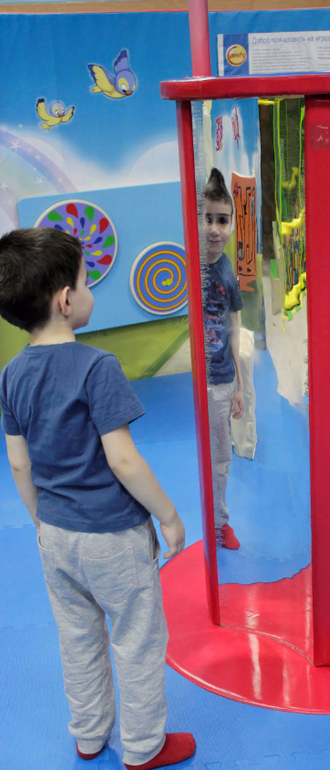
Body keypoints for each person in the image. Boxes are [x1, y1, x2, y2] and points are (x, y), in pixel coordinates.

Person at [0, 228, 196, 769]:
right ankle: (144, 747)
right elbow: (123, 460)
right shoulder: (96, 366)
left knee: (78, 640)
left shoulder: (10, 375)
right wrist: (169, 515)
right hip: (112, 537)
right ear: (66, 300)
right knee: (137, 640)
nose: (90, 292)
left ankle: (88, 736)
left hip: (55, 536)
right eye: (87, 282)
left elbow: (19, 464)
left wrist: (41, 520)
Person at [202, 168, 244, 550]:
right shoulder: (189, 266)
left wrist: (240, 385)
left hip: (223, 378)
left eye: (223, 220)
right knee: (213, 457)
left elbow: (233, 324)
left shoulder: (228, 269)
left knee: (222, 458)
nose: (215, 229)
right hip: (203, 380)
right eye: (208, 219)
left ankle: (219, 522)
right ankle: (215, 521)